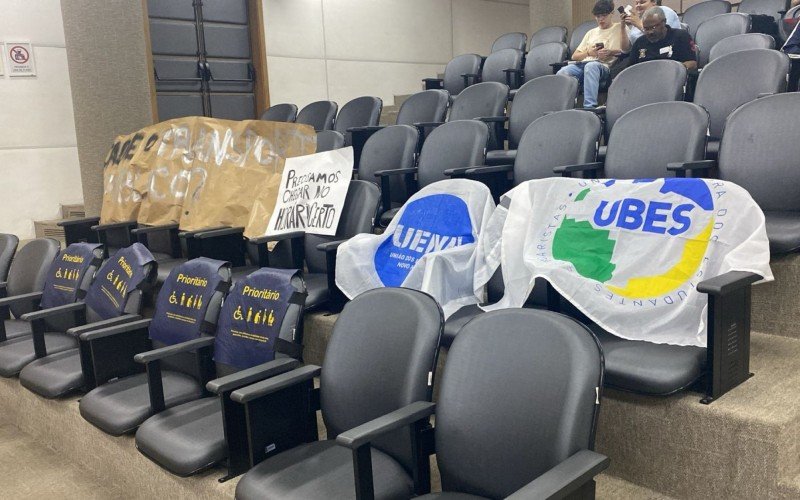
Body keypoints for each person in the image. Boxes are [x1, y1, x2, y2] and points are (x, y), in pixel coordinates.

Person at [557, 0, 625, 108]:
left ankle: (589, 107)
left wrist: (610, 52)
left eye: (604, 15)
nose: (600, 19)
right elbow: (575, 56)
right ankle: (562, 107)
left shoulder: (619, 28)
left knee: (591, 66)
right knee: (562, 72)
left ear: (612, 13)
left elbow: (626, 50)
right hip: (584, 64)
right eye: (598, 16)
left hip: (604, 66)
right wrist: (589, 52)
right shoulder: (591, 32)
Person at [628, 7, 697, 71]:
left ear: (664, 22)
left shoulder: (680, 36)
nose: (650, 32)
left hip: (673, 78)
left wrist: (673, 70)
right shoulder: (640, 42)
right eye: (646, 29)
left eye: (653, 27)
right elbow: (631, 69)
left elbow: (692, 63)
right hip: (645, 79)